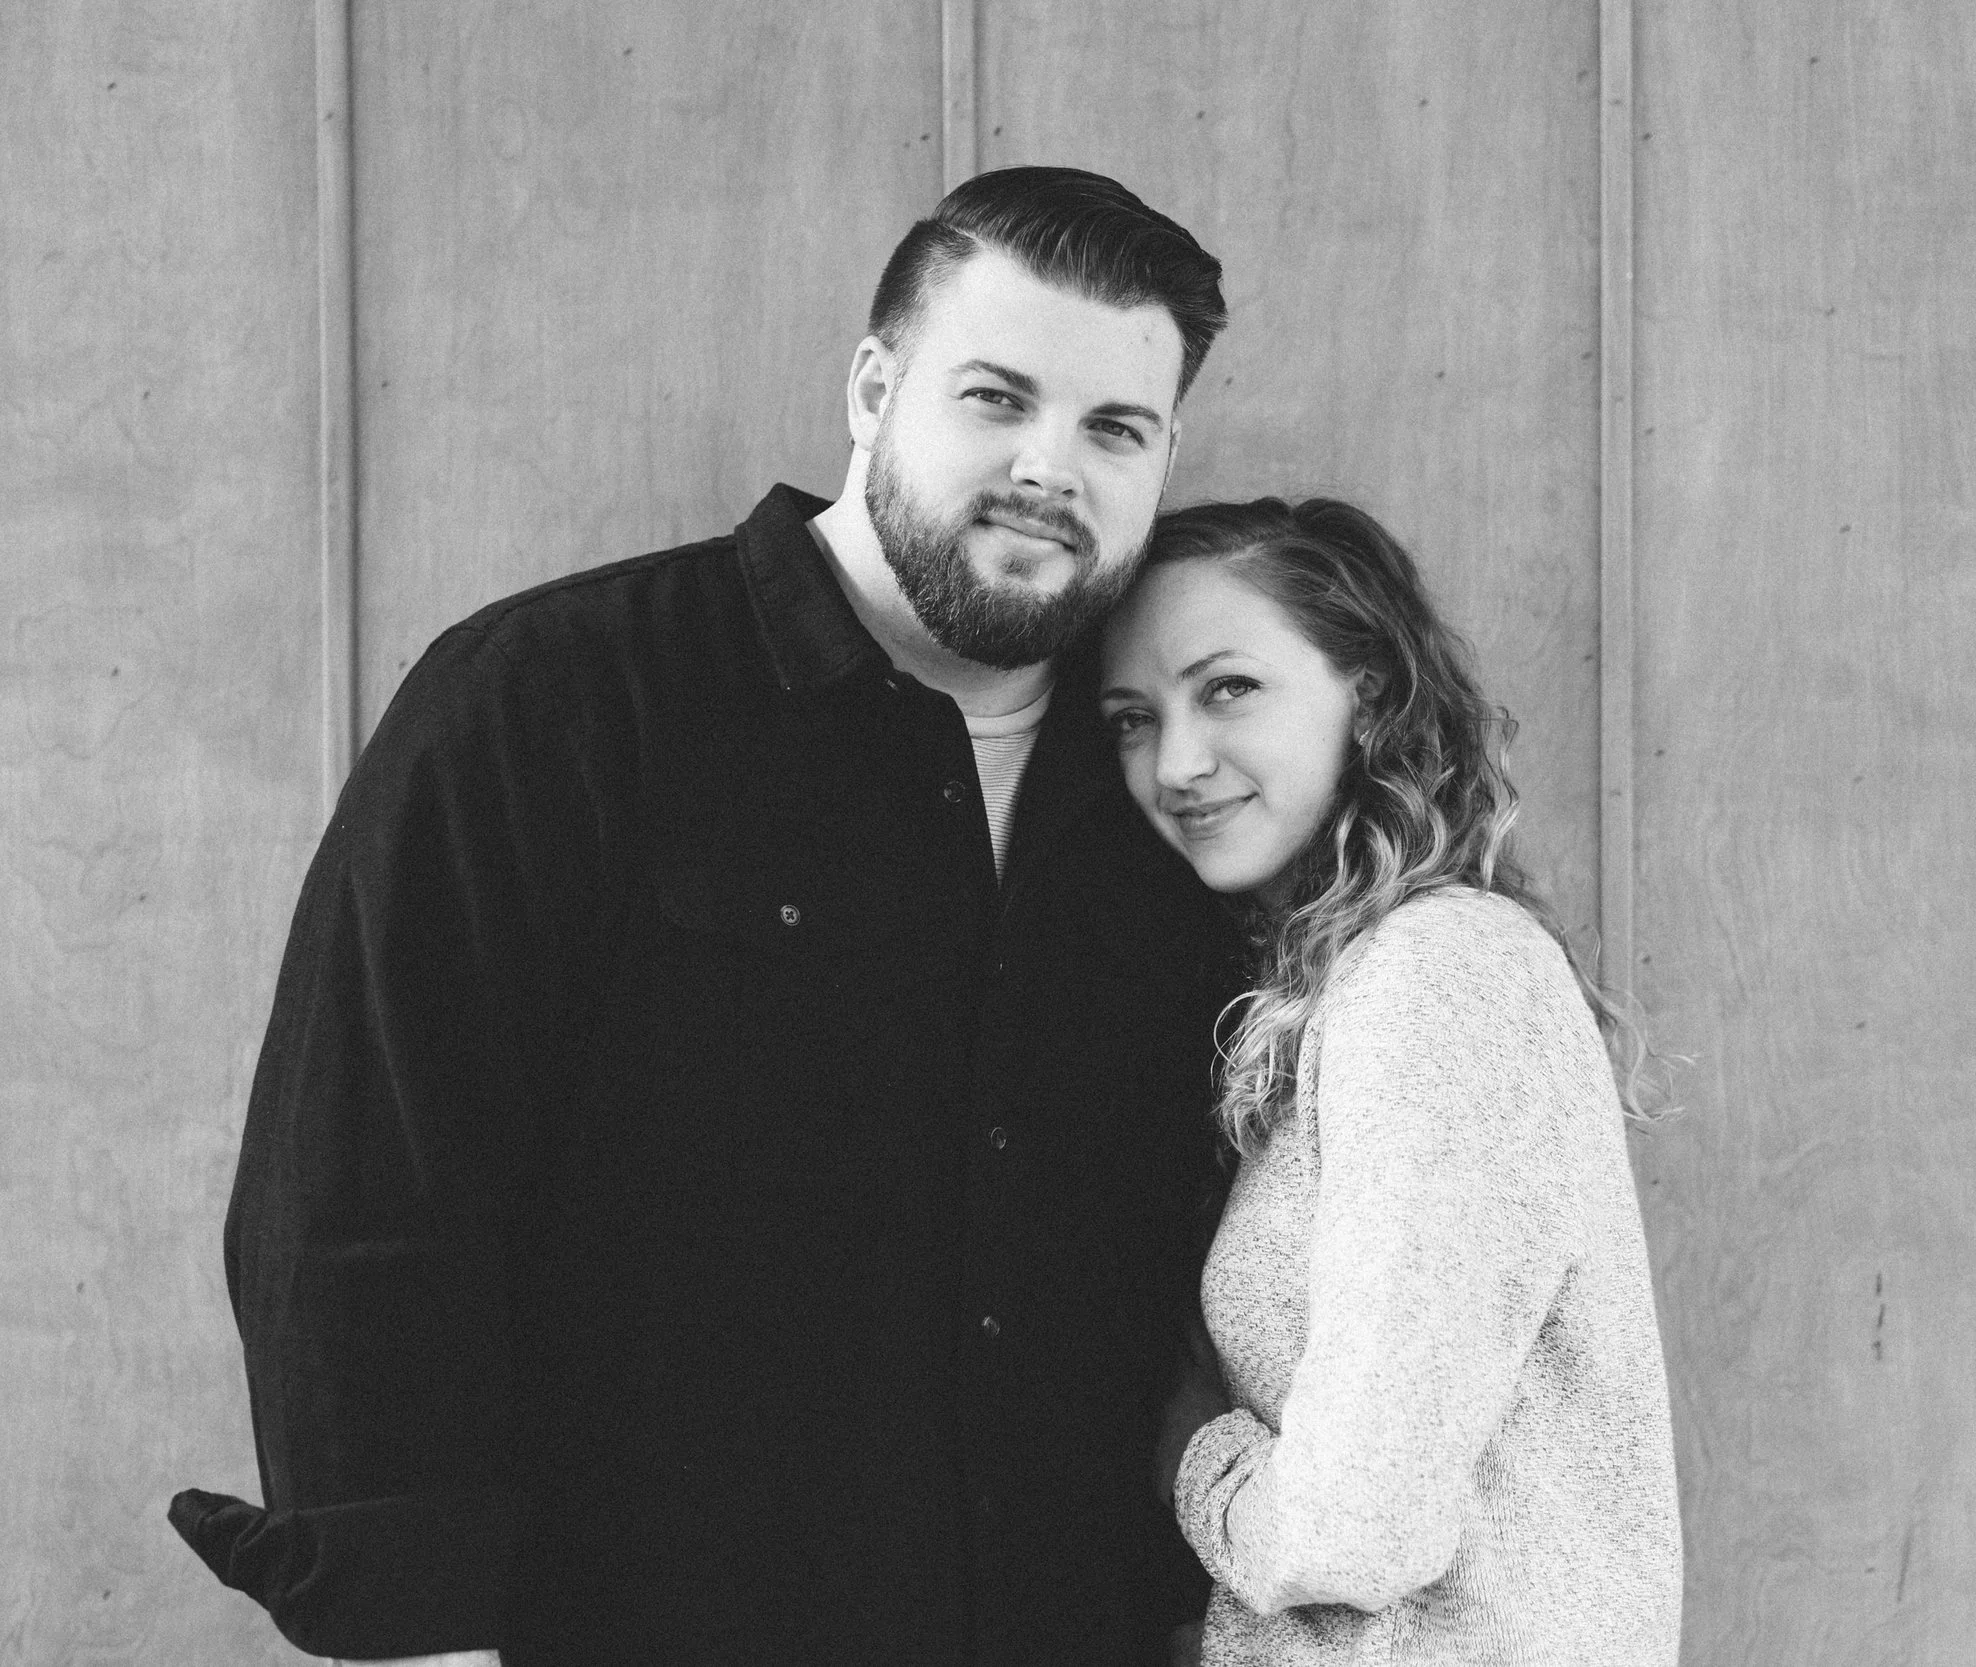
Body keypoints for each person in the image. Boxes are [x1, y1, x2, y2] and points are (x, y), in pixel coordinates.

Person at [170, 166, 1246, 1667]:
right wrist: (414, 1634)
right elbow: (362, 1200)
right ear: (873, 389)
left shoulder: (1182, 790)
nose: (1047, 467)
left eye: (1113, 428)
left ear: (1164, 455)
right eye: (996, 398)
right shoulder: (551, 702)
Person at [1100, 499, 1683, 1663]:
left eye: (1228, 688)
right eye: (1132, 719)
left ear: (1366, 691)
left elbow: (1353, 1531)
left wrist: (1191, 1452)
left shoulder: (1438, 972)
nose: (1176, 762)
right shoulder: (1343, 985)